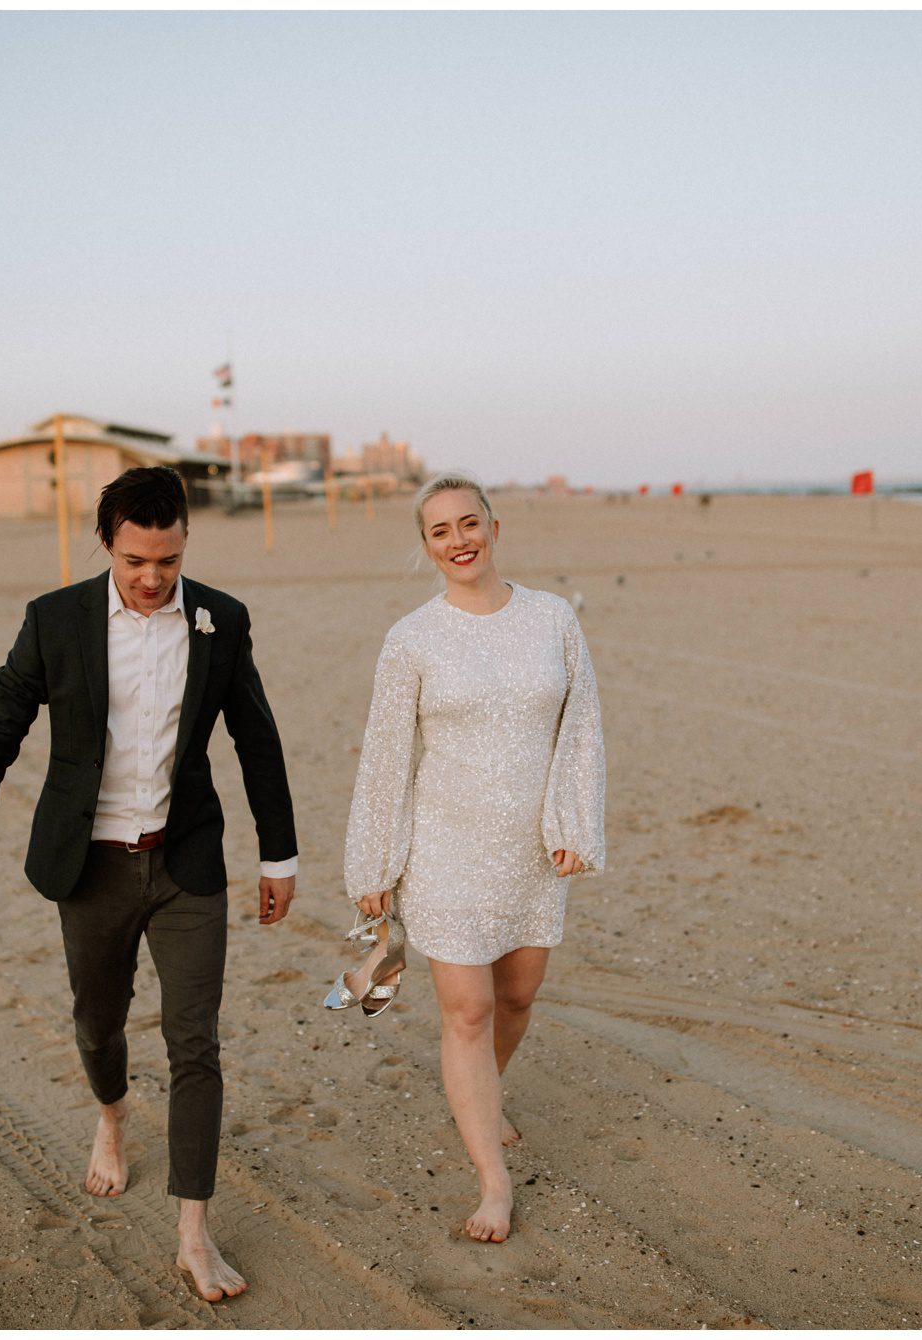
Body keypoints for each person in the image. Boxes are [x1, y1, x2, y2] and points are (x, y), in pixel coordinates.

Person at [0, 465, 298, 1302]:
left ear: (185, 544)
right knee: (97, 1024)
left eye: (167, 560)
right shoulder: (54, 622)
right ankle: (111, 1116)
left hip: (188, 863)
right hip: (87, 866)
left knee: (194, 1042)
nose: (152, 578)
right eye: (136, 560)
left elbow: (257, 741)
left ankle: (194, 1235)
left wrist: (280, 858)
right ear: (106, 544)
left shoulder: (221, 620)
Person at [340, 472, 606, 1243]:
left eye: (468, 523)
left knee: (517, 999)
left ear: (494, 526)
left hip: (531, 852)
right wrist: (374, 866)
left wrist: (572, 822)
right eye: (439, 531)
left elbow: (581, 725)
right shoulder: (412, 638)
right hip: (447, 850)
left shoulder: (554, 618)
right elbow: (386, 757)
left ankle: (480, 1095)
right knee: (468, 1010)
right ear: (426, 547)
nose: (458, 540)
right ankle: (494, 1180)